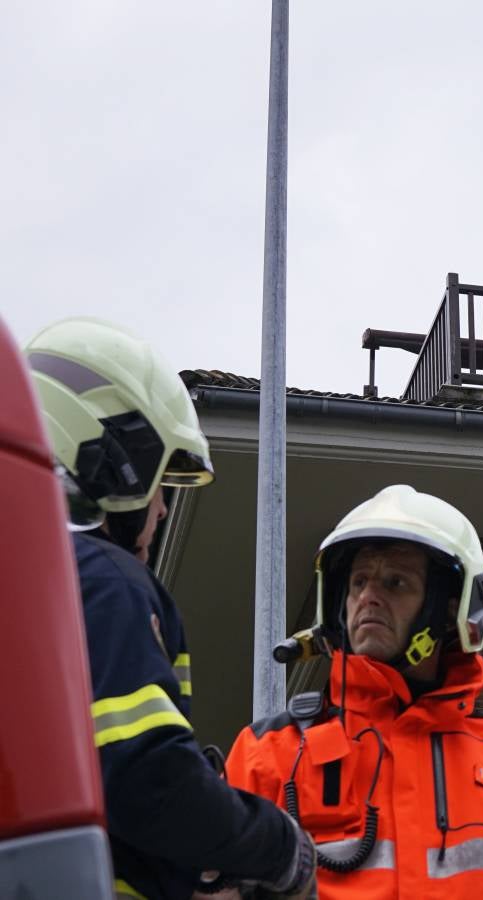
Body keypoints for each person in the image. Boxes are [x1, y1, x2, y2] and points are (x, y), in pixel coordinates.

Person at [24, 317, 315, 900]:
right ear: (114, 458)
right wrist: (280, 847)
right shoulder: (105, 581)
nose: (160, 511)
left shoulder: (25, 579)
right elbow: (148, 782)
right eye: (159, 481)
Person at [225, 485, 483, 899]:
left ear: (451, 608)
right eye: (358, 581)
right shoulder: (266, 752)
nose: (368, 598)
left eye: (396, 583)